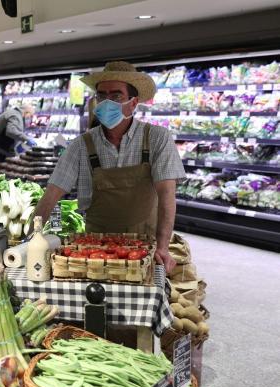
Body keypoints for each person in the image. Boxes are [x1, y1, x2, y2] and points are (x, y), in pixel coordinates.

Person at [34, 61, 185, 273]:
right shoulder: (81, 145)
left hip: (143, 245)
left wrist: (162, 247)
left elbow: (167, 194)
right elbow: (51, 195)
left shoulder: (156, 139)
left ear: (133, 104)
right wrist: (31, 239)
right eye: (101, 96)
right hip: (95, 248)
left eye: (116, 96)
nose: (107, 103)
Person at [0, 103, 37, 167]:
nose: (29, 118)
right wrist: (27, 139)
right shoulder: (16, 115)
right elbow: (11, 131)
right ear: (26, 112)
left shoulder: (13, 113)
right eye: (30, 115)